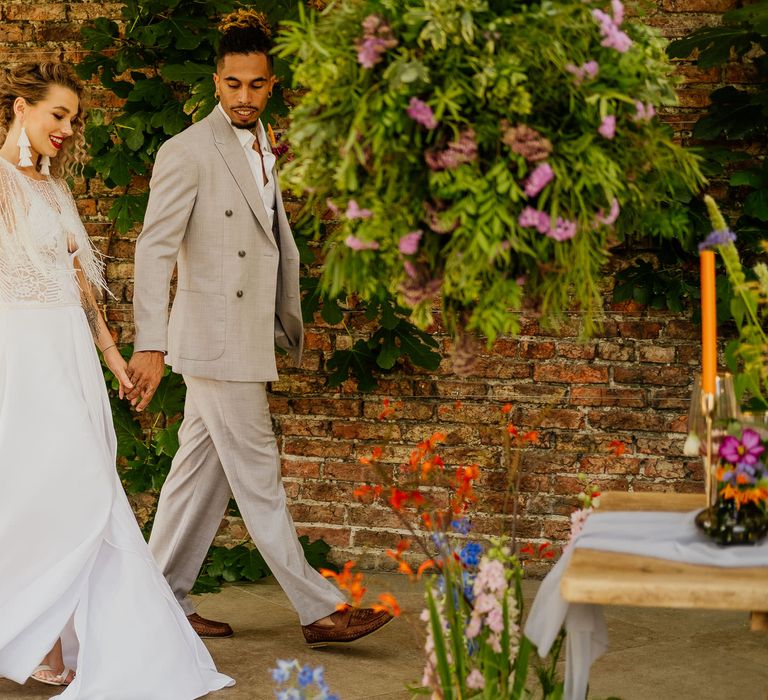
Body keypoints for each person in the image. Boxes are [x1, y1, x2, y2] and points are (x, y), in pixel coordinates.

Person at [129, 9, 392, 646]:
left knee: (198, 476)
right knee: (260, 478)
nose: (243, 97)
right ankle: (319, 609)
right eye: (232, 85)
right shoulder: (186, 150)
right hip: (216, 345)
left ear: (271, 84)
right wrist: (150, 343)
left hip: (242, 333)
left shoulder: (264, 141)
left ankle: (155, 601)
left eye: (256, 85)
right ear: (215, 82)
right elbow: (154, 249)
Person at [0, 62, 234, 698]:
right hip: (20, 357)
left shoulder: (53, 190)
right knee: (46, 493)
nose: (69, 129)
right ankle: (34, 637)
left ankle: (44, 637)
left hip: (69, 353)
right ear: (22, 108)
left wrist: (112, 358)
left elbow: (82, 290)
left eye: (75, 120)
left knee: (81, 490)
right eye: (59, 115)